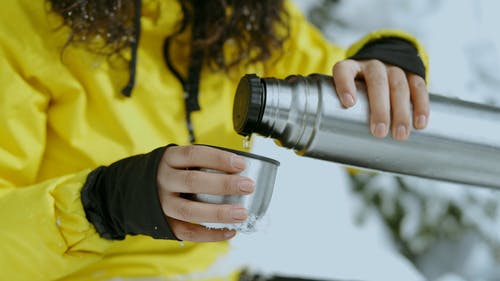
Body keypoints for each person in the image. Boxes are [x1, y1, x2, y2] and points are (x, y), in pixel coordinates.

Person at [0, 0, 429, 280]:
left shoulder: (242, 15)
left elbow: (350, 102)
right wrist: (103, 202)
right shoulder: (21, 24)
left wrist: (387, 61)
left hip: (215, 271)